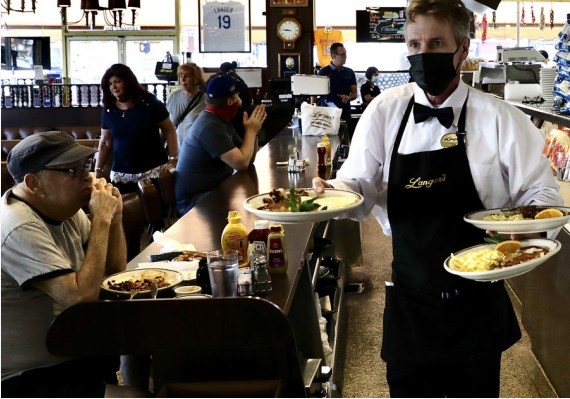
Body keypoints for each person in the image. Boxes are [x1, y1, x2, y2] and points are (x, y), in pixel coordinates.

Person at [312, 0, 563, 396]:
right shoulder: (383, 112)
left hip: (478, 297)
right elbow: (359, 186)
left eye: (436, 43)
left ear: (462, 49)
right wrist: (334, 194)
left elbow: (540, 193)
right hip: (411, 295)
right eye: (415, 45)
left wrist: (520, 243)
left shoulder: (501, 118)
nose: (423, 54)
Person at [1, 131, 126, 397]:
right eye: (72, 169)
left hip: (72, 355)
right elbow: (80, 297)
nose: (87, 177)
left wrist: (114, 219)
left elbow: (112, 274)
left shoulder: (63, 208)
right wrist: (100, 220)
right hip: (29, 377)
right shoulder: (16, 225)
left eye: (86, 166)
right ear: (33, 182)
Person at [175, 74, 267, 216]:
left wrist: (253, 132)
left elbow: (247, 159)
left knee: (254, 204)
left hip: (214, 191)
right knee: (250, 212)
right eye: (237, 96)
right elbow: (241, 163)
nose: (240, 101)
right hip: (195, 202)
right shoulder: (209, 126)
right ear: (230, 101)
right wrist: (251, 131)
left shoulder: (219, 120)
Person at [96, 63, 179, 194]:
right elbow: (106, 142)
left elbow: (169, 129)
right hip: (121, 174)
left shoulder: (149, 102)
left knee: (155, 211)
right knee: (126, 211)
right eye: (110, 84)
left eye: (117, 82)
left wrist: (173, 158)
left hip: (153, 170)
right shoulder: (108, 108)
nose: (114, 87)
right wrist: (98, 170)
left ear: (128, 82)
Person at [166, 62, 206, 148]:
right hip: (177, 147)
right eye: (180, 75)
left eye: (187, 76)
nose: (182, 79)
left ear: (196, 79)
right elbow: (167, 123)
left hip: (195, 148)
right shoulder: (174, 96)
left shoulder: (204, 100)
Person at [315, 42, 357, 120]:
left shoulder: (349, 72)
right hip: (327, 114)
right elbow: (314, 95)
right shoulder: (323, 72)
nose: (345, 57)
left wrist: (349, 97)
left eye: (345, 54)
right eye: (343, 54)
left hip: (345, 112)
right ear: (334, 56)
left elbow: (354, 94)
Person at [220, 61, 253, 139]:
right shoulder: (237, 78)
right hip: (242, 113)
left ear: (221, 70)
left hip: (232, 114)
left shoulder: (224, 80)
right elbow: (248, 98)